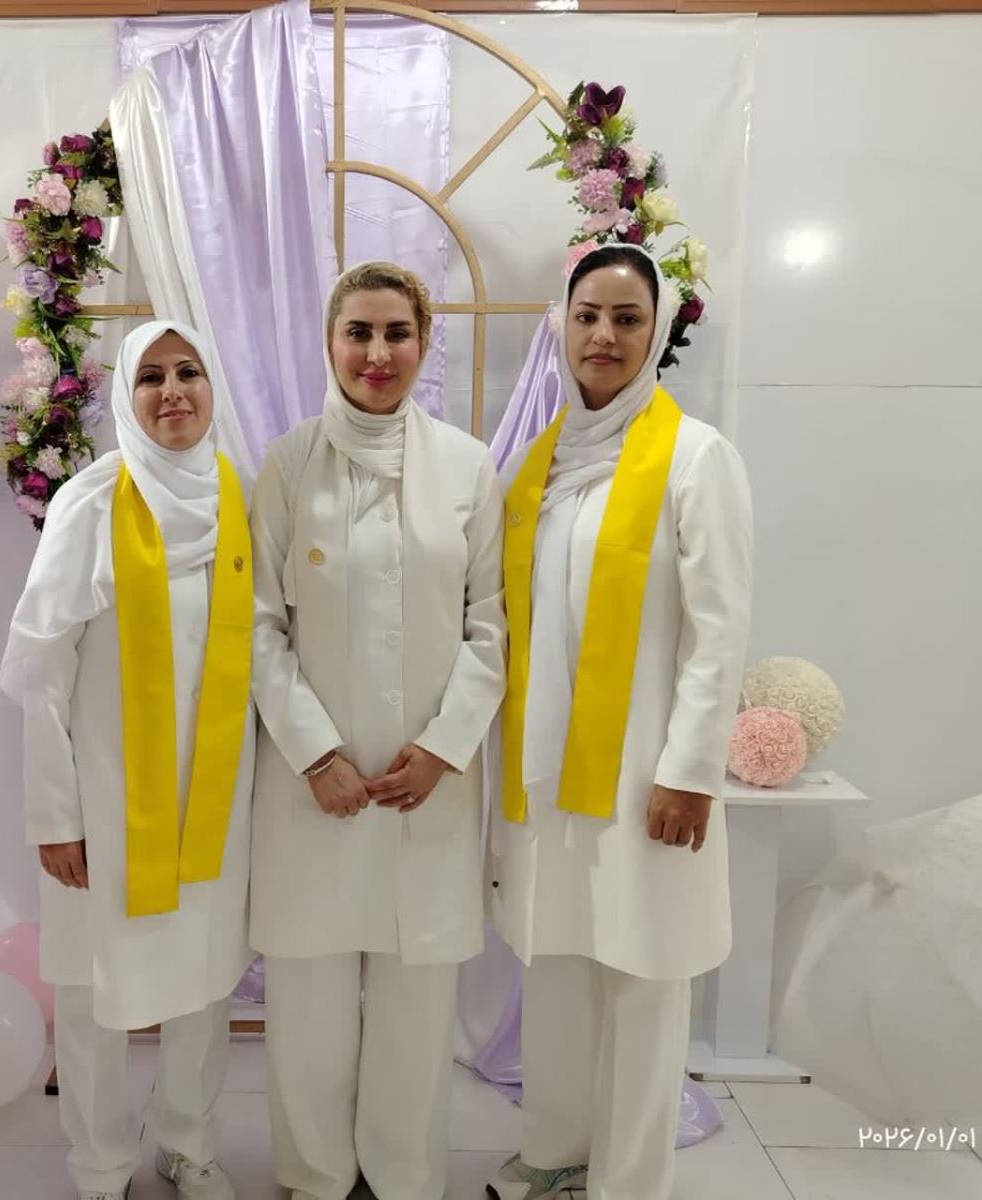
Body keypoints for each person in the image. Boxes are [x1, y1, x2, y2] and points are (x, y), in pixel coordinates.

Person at [485, 244, 753, 1200]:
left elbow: (721, 632)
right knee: (557, 964)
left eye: (627, 318)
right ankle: (555, 1148)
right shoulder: (541, 464)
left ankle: (630, 1180)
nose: (603, 335)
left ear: (656, 332)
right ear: (561, 325)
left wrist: (690, 771)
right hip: (551, 776)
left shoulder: (695, 458)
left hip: (647, 778)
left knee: (643, 976)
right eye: (587, 315)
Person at [247, 261, 507, 1200]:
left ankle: (403, 1177)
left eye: (397, 332)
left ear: (424, 342)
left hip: (425, 783)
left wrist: (442, 749)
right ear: (330, 343)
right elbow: (258, 626)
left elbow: (492, 626)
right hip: (310, 782)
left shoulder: (470, 467)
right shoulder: (286, 465)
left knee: (416, 999)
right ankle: (316, 1174)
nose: (377, 352)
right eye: (358, 331)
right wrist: (314, 752)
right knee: (309, 997)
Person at [0, 321, 255, 1200]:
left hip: (216, 798)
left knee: (204, 982)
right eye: (151, 377)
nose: (173, 391)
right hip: (104, 803)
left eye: (189, 372)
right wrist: (54, 815)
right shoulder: (92, 504)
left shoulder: (236, 498)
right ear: (126, 397)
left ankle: (189, 1144)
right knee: (93, 990)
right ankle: (101, 1163)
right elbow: (41, 673)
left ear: (212, 387)